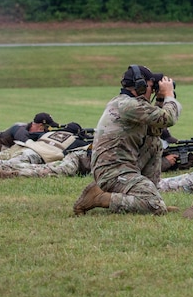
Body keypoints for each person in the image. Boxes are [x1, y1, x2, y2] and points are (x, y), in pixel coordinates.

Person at [72, 65, 181, 216]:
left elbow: (156, 128)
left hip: (122, 167)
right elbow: (168, 118)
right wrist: (169, 94)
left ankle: (148, 197)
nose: (153, 89)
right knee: (155, 206)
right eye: (151, 85)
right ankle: (99, 198)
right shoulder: (128, 106)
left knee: (153, 141)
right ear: (140, 86)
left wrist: (161, 98)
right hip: (113, 171)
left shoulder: (129, 104)